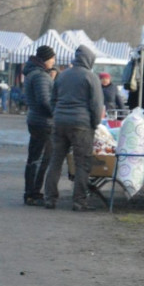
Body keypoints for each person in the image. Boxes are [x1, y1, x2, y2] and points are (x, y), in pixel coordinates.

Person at [43, 45, 105, 212]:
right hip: (81, 125)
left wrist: (57, 115)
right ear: (89, 60)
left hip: (60, 123)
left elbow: (53, 99)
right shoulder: (91, 77)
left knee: (55, 161)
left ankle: (49, 198)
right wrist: (95, 124)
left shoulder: (62, 75)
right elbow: (96, 105)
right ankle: (79, 201)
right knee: (82, 163)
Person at [22, 45, 56, 206]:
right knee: (41, 159)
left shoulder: (32, 73)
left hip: (35, 119)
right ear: (46, 59)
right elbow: (44, 100)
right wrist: (55, 112)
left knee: (34, 157)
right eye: (52, 59)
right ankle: (33, 193)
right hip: (43, 121)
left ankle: (31, 192)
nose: (54, 62)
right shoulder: (41, 76)